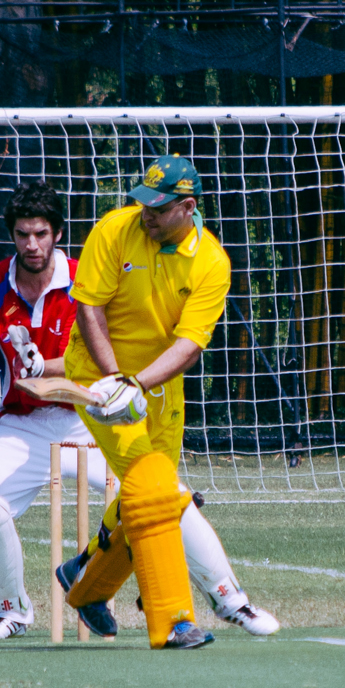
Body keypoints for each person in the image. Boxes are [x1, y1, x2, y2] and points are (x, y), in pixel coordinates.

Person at [0, 182, 278, 641]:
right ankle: (12, 611)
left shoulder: (83, 275)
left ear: (58, 234)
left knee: (163, 494)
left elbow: (92, 338)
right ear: (11, 235)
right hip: (22, 423)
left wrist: (55, 367)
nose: (32, 244)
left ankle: (231, 600)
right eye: (23, 234)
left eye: (41, 234)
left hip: (90, 413)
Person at [53, 155, 279, 649]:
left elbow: (189, 345)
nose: (145, 214)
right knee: (157, 488)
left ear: (187, 207)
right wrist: (115, 380)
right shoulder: (115, 228)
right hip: (97, 377)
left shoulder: (212, 262)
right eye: (141, 202)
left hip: (157, 387)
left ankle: (87, 576)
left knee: (148, 498)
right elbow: (89, 306)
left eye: (157, 207)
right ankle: (174, 621)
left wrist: (138, 385)